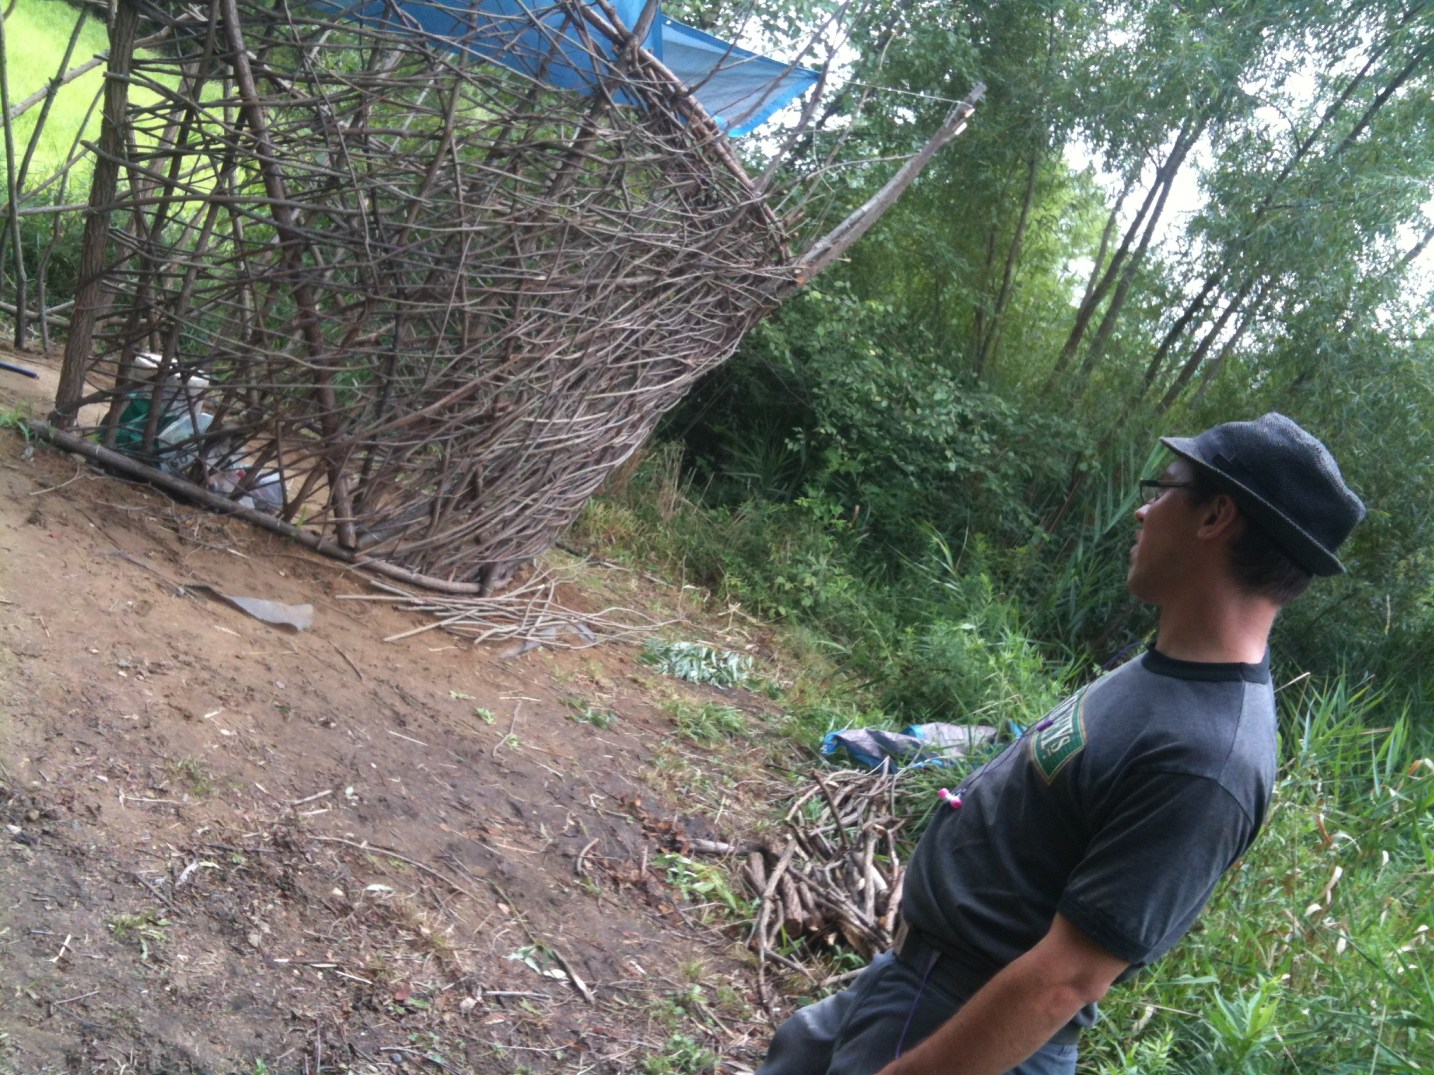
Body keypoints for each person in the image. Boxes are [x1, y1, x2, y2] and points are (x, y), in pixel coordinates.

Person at [755, 413, 1365, 1075]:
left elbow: (1065, 980)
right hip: (912, 983)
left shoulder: (1207, 760)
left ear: (1216, 515)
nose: (1141, 510)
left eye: (1162, 488)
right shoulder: (1165, 669)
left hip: (963, 1028)